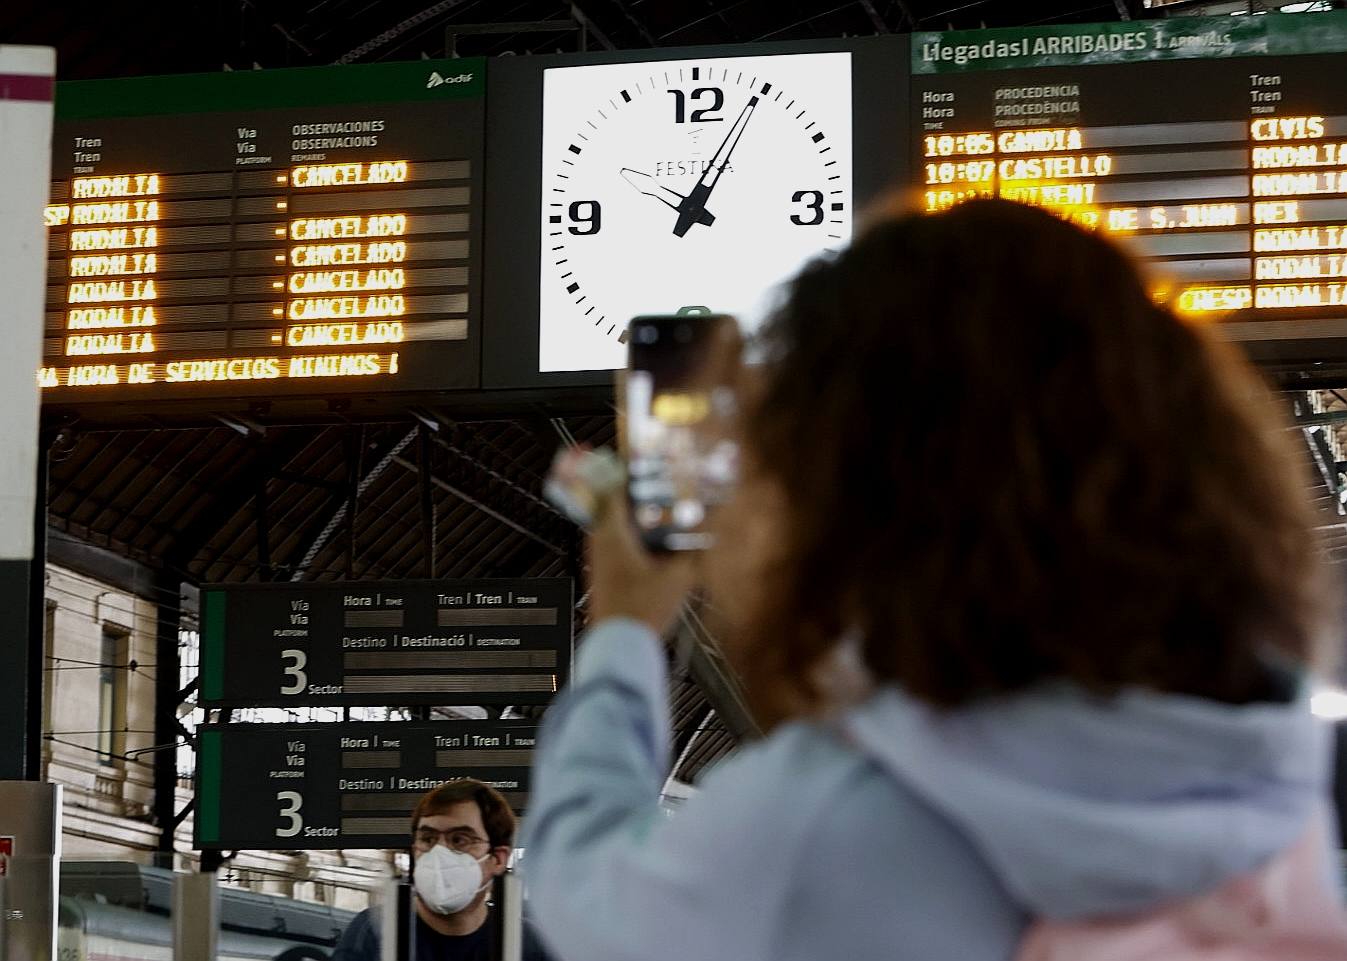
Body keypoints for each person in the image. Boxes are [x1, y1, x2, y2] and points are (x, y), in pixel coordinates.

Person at [520, 198, 1346, 961]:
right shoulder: (1262, 766)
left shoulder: (823, 827)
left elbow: (582, 886)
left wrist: (625, 625)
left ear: (861, 487)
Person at [335, 778, 543, 961]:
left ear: (498, 859)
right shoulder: (375, 933)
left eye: (460, 839)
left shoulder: (525, 944)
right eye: (428, 839)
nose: (439, 853)